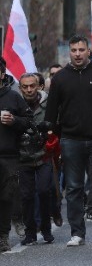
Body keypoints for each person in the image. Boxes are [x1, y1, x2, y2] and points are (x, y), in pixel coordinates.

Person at [44, 35, 92, 246]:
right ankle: (77, 233)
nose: (77, 54)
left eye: (81, 50)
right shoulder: (60, 79)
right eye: (73, 50)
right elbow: (50, 113)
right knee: (74, 187)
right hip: (71, 140)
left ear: (88, 51)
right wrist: (60, 132)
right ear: (69, 52)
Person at [17, 73, 55, 245]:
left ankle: (46, 228)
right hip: (23, 157)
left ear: (39, 86)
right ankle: (30, 232)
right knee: (26, 196)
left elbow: (57, 124)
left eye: (32, 85)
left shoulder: (48, 104)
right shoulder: (15, 105)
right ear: (20, 88)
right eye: (25, 86)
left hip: (44, 156)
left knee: (44, 191)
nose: (29, 89)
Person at [0, 60, 33, 252]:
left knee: (5, 198)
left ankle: (3, 236)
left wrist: (14, 120)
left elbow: (29, 121)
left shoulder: (13, 97)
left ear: (2, 74)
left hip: (8, 156)